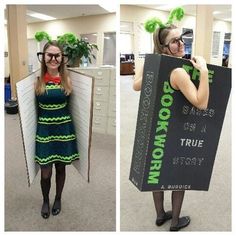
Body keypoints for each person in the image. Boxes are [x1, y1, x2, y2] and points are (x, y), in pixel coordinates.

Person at [133, 15, 209, 231]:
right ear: (165, 48)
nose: (182, 43)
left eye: (182, 38)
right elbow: (201, 103)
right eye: (175, 41)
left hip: (155, 130)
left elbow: (136, 86)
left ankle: (160, 215)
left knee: (156, 172)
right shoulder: (178, 72)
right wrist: (203, 71)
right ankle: (174, 221)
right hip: (174, 130)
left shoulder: (153, 64)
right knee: (176, 176)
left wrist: (147, 64)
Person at [35, 40, 79, 219]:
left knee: (61, 167)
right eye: (49, 55)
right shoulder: (36, 81)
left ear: (62, 58)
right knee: (46, 171)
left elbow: (75, 108)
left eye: (57, 55)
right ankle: (45, 200)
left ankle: (58, 198)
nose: (53, 59)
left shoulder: (67, 80)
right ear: (43, 57)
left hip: (64, 131)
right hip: (45, 132)